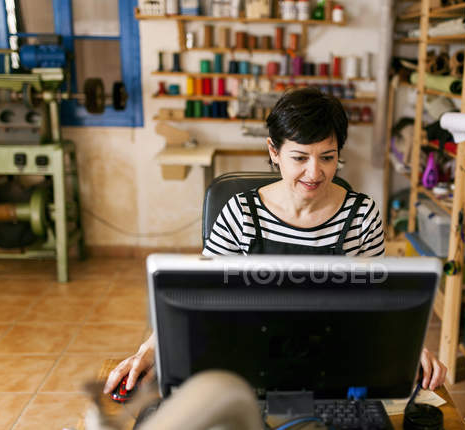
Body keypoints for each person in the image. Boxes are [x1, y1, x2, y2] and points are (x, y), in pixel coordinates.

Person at [103, 88, 447, 396]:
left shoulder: (361, 214)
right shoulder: (241, 212)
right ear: (274, 151)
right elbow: (196, 296)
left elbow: (378, 299)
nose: (315, 173)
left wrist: (410, 346)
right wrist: (149, 351)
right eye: (300, 157)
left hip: (335, 364)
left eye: (327, 157)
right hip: (250, 364)